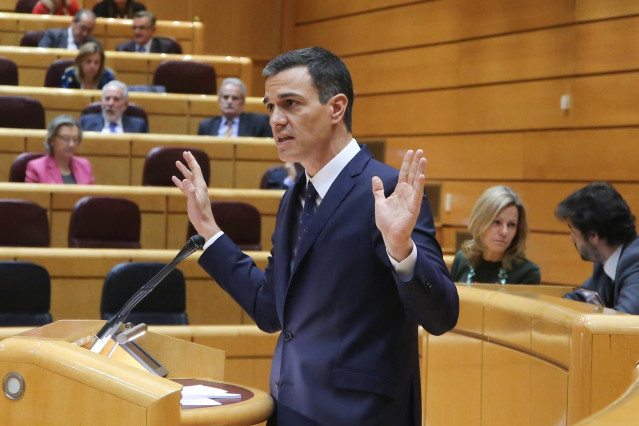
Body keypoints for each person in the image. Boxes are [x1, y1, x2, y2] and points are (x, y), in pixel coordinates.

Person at [173, 47, 459, 425]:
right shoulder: (295, 196)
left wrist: (401, 248)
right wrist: (208, 230)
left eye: (290, 103)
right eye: (270, 106)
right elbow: (269, 310)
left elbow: (442, 316)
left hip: (361, 416)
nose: (275, 119)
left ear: (336, 108)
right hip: (292, 408)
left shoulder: (386, 190)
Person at [557, 182, 639, 314]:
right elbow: (582, 298)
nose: (571, 238)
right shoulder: (606, 262)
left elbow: (625, 320)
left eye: (573, 231)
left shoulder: (635, 261)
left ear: (593, 235)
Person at [450, 186, 541, 284]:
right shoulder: (461, 260)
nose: (504, 232)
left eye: (511, 224)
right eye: (497, 222)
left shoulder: (528, 273)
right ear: (480, 221)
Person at [25, 115, 94, 184]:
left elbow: (91, 194)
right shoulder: (36, 168)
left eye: (75, 139)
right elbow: (31, 195)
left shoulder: (84, 165)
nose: (71, 144)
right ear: (52, 140)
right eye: (65, 139)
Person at [198, 77, 272, 138]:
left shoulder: (259, 123)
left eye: (235, 98)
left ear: (243, 102)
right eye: (225, 97)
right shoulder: (206, 126)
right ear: (219, 100)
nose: (229, 101)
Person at [80, 80, 149, 133]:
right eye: (107, 98)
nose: (110, 104)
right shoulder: (86, 123)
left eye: (116, 99)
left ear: (125, 105)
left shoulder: (139, 126)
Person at [115, 11, 180, 54]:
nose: (137, 32)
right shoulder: (122, 49)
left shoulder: (165, 48)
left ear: (153, 30)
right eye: (134, 28)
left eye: (142, 28)